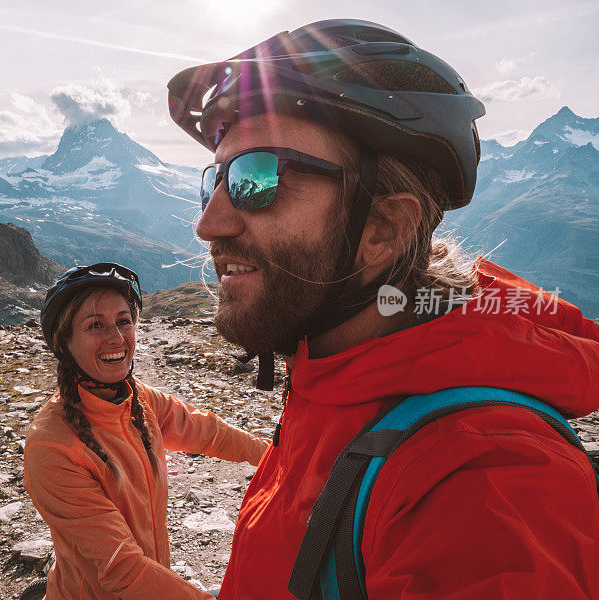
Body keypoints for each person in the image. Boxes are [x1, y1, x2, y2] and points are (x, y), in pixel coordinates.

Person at [166, 18, 599, 600]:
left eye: (257, 178)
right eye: (215, 179)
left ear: (382, 229)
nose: (207, 223)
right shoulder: (336, 383)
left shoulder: (484, 480)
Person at [23, 262, 268, 600]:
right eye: (95, 325)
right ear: (64, 343)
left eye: (124, 321)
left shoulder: (137, 399)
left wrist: (280, 459)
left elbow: (211, 433)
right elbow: (122, 569)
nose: (116, 338)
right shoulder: (51, 447)